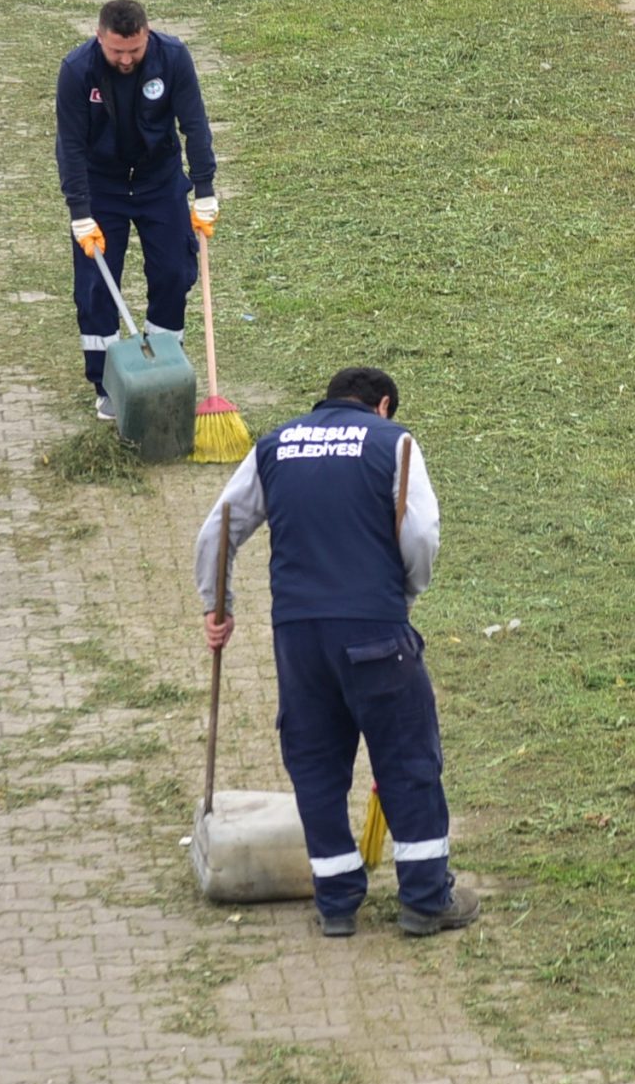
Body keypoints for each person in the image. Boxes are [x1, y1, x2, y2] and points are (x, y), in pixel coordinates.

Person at [193, 367, 477, 939]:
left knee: (316, 767)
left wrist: (215, 606)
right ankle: (425, 899)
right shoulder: (393, 443)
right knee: (407, 760)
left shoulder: (274, 445)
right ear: (384, 406)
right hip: (374, 629)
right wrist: (406, 592)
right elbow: (420, 535)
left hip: (298, 637)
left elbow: (219, 529)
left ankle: (337, 901)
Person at [56, 0, 219, 420]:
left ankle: (163, 369)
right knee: (96, 286)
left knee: (173, 272)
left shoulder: (173, 58)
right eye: (116, 51)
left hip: (158, 179)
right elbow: (70, 146)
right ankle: (109, 383)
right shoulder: (76, 71)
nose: (126, 60)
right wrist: (80, 211)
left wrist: (204, 190)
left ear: (147, 35)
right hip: (102, 185)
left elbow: (195, 124)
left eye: (134, 50)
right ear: (99, 38)